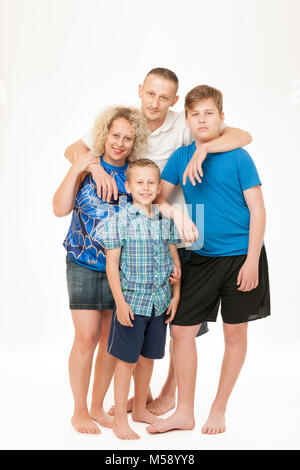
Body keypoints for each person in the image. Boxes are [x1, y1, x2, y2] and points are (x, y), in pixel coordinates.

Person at [64, 68, 253, 417]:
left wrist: (203, 149)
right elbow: (73, 148)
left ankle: (169, 395)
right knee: (138, 314)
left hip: (178, 230)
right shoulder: (127, 124)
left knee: (180, 322)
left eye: (164, 97)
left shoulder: (184, 123)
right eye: (151, 94)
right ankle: (136, 395)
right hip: (135, 234)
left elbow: (243, 135)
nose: (156, 102)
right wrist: (96, 169)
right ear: (140, 91)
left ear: (174, 100)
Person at [147, 84, 270, 436]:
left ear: (221, 118)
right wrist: (174, 213)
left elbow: (258, 210)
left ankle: (218, 408)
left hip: (240, 258)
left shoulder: (239, 157)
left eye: (209, 114)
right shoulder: (181, 157)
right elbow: (155, 199)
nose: (202, 120)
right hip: (199, 257)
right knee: (181, 331)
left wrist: (251, 261)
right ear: (187, 119)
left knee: (234, 334)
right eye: (195, 115)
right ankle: (184, 411)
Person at [52, 106, 149, 434]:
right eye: (115, 135)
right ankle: (79, 409)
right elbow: (59, 208)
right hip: (82, 261)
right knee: (87, 336)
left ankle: (96, 405)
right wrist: (84, 167)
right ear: (104, 135)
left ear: (134, 142)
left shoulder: (135, 173)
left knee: (110, 338)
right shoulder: (86, 163)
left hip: (117, 270)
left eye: (127, 138)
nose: (120, 143)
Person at [102, 159, 181, 440]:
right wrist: (120, 303)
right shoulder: (119, 221)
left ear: (159, 187)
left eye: (151, 183)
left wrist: (176, 295)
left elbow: (174, 261)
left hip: (158, 303)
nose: (145, 188)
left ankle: (140, 410)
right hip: (132, 304)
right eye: (140, 182)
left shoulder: (165, 220)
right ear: (128, 186)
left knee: (149, 357)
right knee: (126, 360)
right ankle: (120, 417)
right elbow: (112, 266)